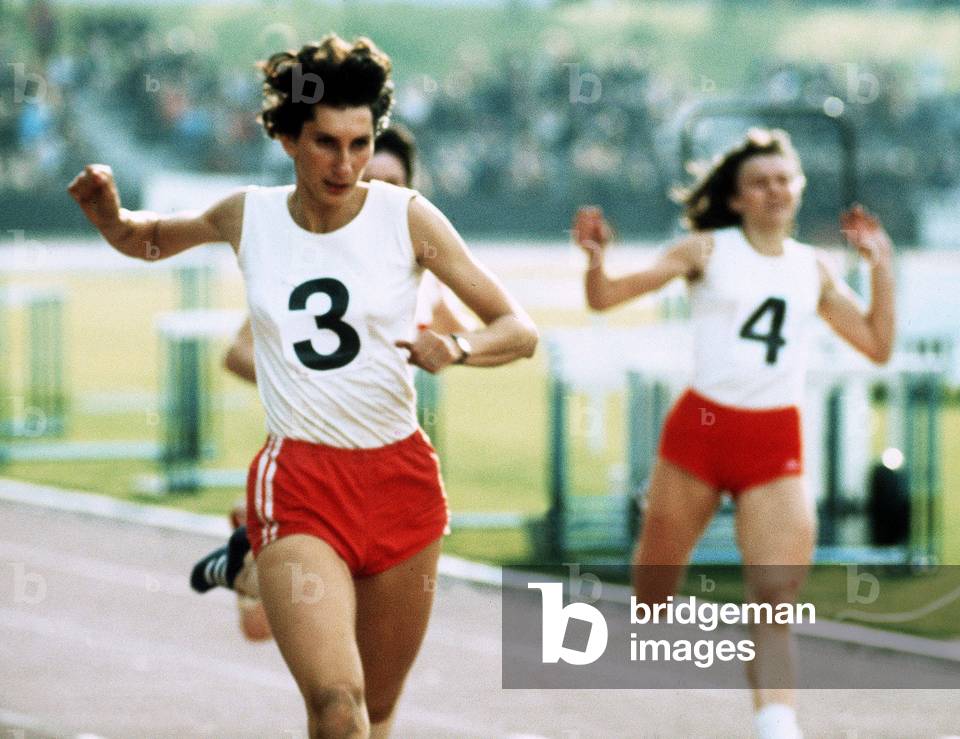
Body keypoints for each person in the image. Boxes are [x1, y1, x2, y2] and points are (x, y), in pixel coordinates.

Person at [68, 33, 538, 739]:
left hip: (402, 482)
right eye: (326, 143)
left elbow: (518, 329)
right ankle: (261, 556)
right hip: (302, 483)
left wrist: (459, 347)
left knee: (379, 710)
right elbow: (150, 236)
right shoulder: (249, 215)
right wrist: (110, 216)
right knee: (338, 706)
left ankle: (249, 566)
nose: (345, 164)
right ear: (288, 138)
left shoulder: (407, 217)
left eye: (359, 144)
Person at [572, 128, 894, 739]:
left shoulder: (813, 268)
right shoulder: (705, 250)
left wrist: (882, 267)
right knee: (652, 595)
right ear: (737, 197)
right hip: (700, 434)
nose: (774, 191)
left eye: (784, 180)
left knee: (774, 598)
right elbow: (606, 298)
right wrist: (595, 260)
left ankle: (777, 723)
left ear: (799, 188)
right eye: (760, 182)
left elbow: (877, 345)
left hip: (774, 443)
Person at [222, 123, 470, 643]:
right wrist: (310, 378)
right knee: (261, 627)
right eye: (368, 181)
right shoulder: (307, 263)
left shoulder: (423, 277)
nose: (376, 194)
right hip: (309, 464)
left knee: (366, 643)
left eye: (391, 184)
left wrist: (452, 349)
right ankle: (250, 565)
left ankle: (255, 555)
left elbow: (467, 339)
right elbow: (237, 352)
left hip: (388, 465)